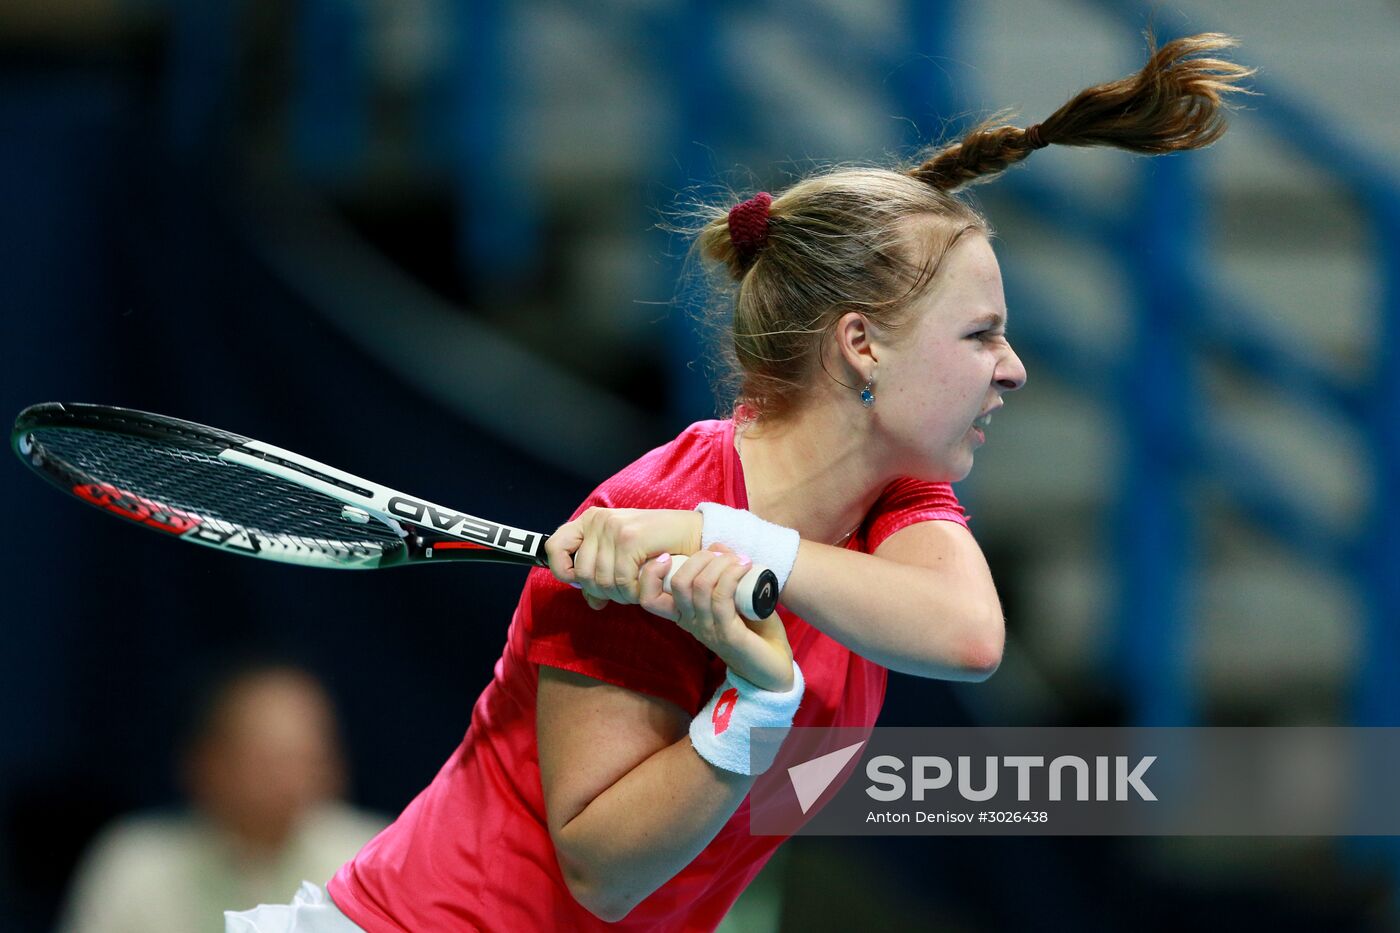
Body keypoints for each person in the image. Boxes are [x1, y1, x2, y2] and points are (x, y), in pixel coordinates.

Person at [227, 31, 1252, 932]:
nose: (1011, 366)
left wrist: (733, 546)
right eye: (980, 335)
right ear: (862, 348)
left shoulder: (886, 507)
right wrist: (749, 712)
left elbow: (967, 639)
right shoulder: (638, 529)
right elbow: (602, 875)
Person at [59, 664, 385, 933]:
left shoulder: (371, 856)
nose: (293, 780)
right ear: (205, 762)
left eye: (309, 757)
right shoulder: (136, 867)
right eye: (271, 760)